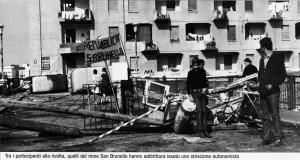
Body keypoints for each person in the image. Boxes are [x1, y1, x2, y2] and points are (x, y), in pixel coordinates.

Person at [257, 37, 287, 147]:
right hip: (263, 92)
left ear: (264, 48)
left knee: (275, 115)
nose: (260, 49)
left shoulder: (277, 58)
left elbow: (283, 75)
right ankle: (266, 137)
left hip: (273, 92)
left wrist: (273, 84)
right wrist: (259, 83)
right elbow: (260, 74)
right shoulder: (262, 59)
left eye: (261, 47)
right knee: (265, 116)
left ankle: (278, 139)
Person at [186, 58, 211, 138]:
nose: (196, 67)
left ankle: (205, 130)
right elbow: (187, 85)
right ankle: (199, 130)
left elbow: (205, 82)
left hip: (202, 92)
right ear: (192, 65)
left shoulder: (202, 71)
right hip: (195, 93)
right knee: (199, 112)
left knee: (205, 112)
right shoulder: (190, 73)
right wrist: (190, 95)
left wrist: (205, 88)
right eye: (194, 65)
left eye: (197, 65)